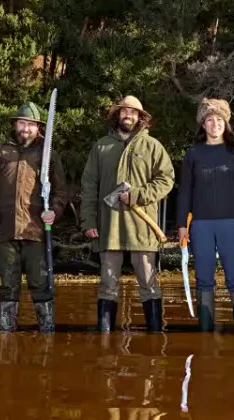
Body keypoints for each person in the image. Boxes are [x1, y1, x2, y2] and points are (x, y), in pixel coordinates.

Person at [81, 96, 175, 333]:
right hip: (108, 226)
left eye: (133, 112)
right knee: (107, 284)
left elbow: (166, 180)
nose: (128, 116)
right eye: (124, 111)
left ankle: (155, 337)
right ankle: (105, 341)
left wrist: (138, 195)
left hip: (143, 226)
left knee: (148, 283)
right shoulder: (101, 146)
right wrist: (89, 221)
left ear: (140, 117)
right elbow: (89, 186)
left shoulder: (152, 146)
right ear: (117, 115)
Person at [0, 102, 71, 333]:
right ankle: (7, 335)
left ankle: (47, 334)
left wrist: (54, 212)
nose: (25, 129)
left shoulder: (48, 155)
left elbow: (61, 191)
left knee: (41, 284)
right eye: (21, 123)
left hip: (36, 231)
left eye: (30, 125)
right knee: (8, 285)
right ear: (15, 125)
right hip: (3, 231)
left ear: (38, 128)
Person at [175, 98, 234, 331]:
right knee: (203, 277)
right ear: (203, 124)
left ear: (226, 123)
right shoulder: (193, 154)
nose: (215, 124)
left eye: (219, 119)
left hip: (232, 223)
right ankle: (205, 329)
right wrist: (182, 225)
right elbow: (185, 192)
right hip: (200, 225)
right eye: (210, 120)